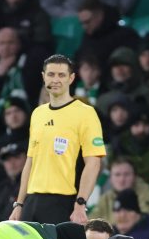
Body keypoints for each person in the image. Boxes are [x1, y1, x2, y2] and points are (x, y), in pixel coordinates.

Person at [10, 55, 105, 225]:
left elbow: (93, 163)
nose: (55, 80)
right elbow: (30, 162)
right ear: (43, 77)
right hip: (31, 202)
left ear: (71, 78)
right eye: (51, 74)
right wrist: (19, 204)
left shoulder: (85, 113)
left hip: (64, 202)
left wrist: (80, 203)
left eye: (61, 75)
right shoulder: (38, 114)